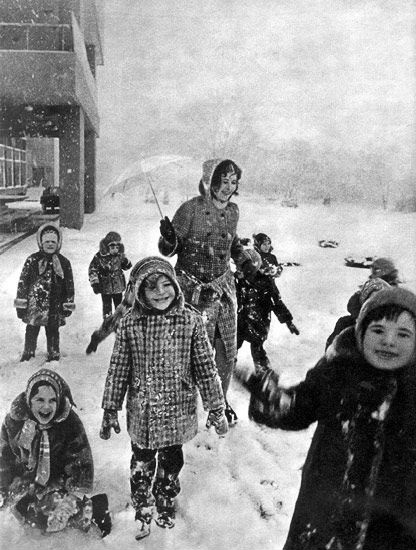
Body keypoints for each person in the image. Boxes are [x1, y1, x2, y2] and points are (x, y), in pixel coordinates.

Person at [240, 287, 416, 550]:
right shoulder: (338, 372)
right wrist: (273, 399)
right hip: (325, 517)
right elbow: (298, 408)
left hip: (392, 529)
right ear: (361, 332)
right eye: (378, 330)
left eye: (403, 334)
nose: (389, 341)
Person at [100, 256, 227, 540]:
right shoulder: (130, 324)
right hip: (143, 409)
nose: (160, 292)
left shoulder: (191, 321)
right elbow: (118, 369)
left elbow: (206, 367)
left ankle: (165, 495)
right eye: (151, 286)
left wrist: (216, 406)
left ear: (176, 286)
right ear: (139, 291)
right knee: (141, 461)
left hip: (176, 408)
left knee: (172, 460)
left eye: (166, 284)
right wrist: (110, 408)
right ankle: (142, 501)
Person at [158, 158, 248, 425]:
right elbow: (168, 249)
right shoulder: (190, 209)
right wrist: (169, 238)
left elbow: (232, 244)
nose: (228, 187)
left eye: (233, 182)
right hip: (192, 290)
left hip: (223, 289)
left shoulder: (233, 211)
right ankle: (184, 404)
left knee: (226, 349)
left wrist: (246, 263)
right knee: (191, 350)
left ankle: (219, 403)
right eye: (223, 181)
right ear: (210, 182)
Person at [0, 369, 111, 537]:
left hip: (56, 481)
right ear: (29, 401)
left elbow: (81, 462)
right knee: (27, 515)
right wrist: (4, 488)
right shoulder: (13, 423)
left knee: (52, 517)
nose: (46, 407)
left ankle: (95, 508)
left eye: (52, 400)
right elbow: (4, 458)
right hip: (26, 481)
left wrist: (71, 498)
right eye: (40, 400)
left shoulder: (70, 423)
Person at [14, 222, 75, 362]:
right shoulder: (32, 260)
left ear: (58, 243)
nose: (50, 244)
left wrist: (68, 303)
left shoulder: (64, 262)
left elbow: (69, 285)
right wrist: (21, 304)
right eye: (47, 241)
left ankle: (53, 353)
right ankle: (28, 352)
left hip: (55, 304)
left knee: (53, 330)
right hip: (34, 304)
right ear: (41, 243)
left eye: (53, 242)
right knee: (32, 328)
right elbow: (23, 283)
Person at [235, 247, 299, 373]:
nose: (245, 273)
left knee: (257, 346)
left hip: (259, 321)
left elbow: (276, 302)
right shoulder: (238, 281)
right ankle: (227, 364)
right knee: (233, 343)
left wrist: (288, 321)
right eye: (242, 268)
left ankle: (263, 370)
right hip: (241, 320)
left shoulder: (266, 282)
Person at [325, 257, 401, 350]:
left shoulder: (398, 298)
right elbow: (331, 354)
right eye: (372, 269)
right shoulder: (347, 326)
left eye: (376, 270)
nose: (373, 273)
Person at [88, 231, 132, 319]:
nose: (115, 249)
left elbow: (127, 267)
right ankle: (107, 320)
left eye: (117, 247)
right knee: (107, 306)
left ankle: (119, 321)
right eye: (112, 247)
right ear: (107, 246)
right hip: (105, 286)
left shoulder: (119, 256)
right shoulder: (99, 257)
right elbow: (92, 270)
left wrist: (125, 262)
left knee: (119, 305)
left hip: (118, 286)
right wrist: (95, 283)